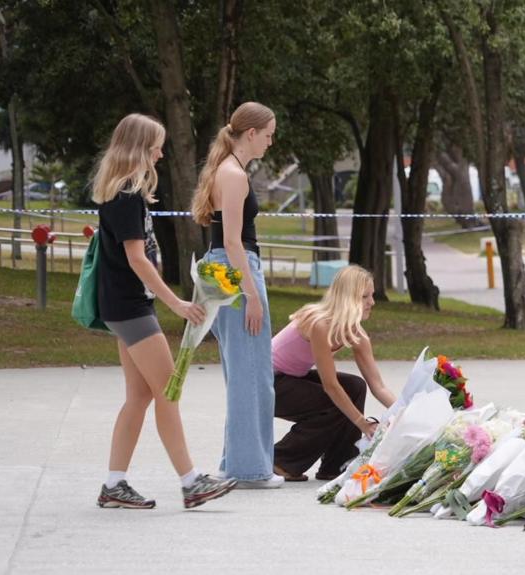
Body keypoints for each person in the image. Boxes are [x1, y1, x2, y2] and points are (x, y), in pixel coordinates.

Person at [93, 113, 236, 509]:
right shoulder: (126, 195)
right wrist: (177, 303)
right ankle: (191, 483)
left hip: (124, 304)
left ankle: (114, 485)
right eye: (156, 145)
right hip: (129, 305)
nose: (160, 152)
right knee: (168, 390)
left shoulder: (124, 192)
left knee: (140, 396)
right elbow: (137, 259)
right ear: (140, 147)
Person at [191, 102, 281, 488]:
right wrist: (252, 295)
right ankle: (249, 469)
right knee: (252, 375)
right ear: (251, 133)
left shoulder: (227, 169)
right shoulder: (233, 174)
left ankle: (237, 462)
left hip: (227, 269)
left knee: (243, 371)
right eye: (268, 135)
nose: (270, 142)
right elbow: (231, 241)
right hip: (236, 270)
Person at [271, 265, 396, 481]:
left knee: (355, 387)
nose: (372, 302)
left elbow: (379, 387)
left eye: (372, 295)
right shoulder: (319, 324)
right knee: (333, 401)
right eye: (365, 296)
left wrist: (406, 414)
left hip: (290, 379)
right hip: (265, 384)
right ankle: (280, 461)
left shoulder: (357, 334)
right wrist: (362, 423)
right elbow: (330, 386)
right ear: (347, 298)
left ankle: (337, 464)